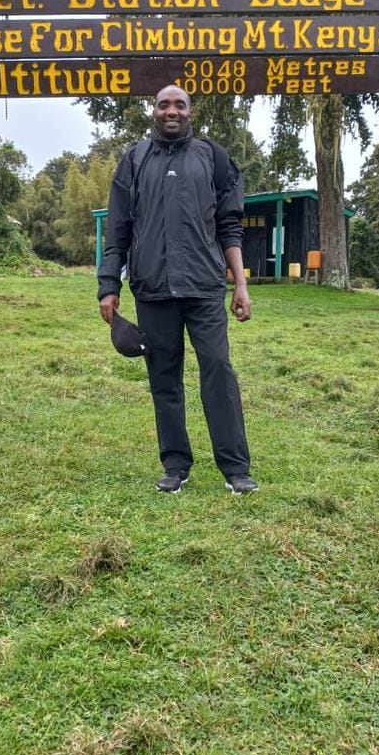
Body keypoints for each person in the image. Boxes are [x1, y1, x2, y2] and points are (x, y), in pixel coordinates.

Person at [98, 84, 258, 495]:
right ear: (153, 110)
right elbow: (117, 229)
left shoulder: (214, 158)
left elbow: (230, 226)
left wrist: (239, 283)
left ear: (191, 111)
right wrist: (108, 285)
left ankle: (236, 468)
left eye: (180, 104)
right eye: (163, 104)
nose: (172, 110)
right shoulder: (134, 160)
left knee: (218, 371)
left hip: (204, 289)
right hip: (151, 289)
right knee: (164, 379)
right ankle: (175, 464)